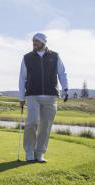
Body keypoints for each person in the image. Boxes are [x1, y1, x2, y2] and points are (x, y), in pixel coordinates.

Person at [18, 33, 68, 163]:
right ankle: (29, 152)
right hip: (32, 95)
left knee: (45, 127)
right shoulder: (27, 57)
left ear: (43, 43)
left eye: (36, 41)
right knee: (32, 122)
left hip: (51, 96)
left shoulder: (55, 56)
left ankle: (39, 153)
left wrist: (65, 89)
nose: (34, 43)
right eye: (33, 41)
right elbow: (22, 79)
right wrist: (21, 97)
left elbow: (62, 73)